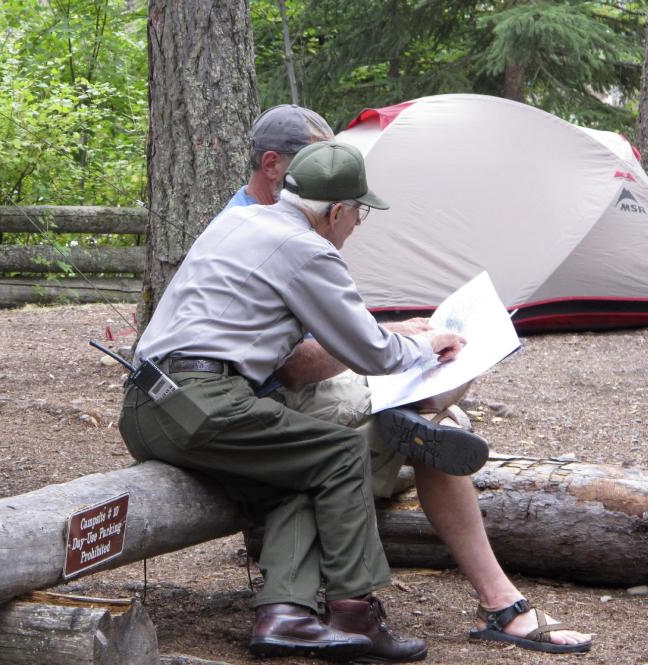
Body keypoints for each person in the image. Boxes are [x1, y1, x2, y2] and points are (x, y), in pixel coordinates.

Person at [226, 105, 592, 658]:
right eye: (319, 163)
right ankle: (500, 603)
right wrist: (381, 345)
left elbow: (319, 332)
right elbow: (292, 365)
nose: (333, 175)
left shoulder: (287, 221)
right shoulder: (257, 228)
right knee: (428, 412)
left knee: (432, 391)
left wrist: (385, 337)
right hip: (271, 411)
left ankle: (408, 422)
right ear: (274, 166)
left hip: (300, 397)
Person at [121, 140, 484, 662]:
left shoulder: (240, 222)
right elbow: (371, 352)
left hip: (145, 405)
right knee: (340, 453)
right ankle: (355, 614)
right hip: (203, 402)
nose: (358, 225)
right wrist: (428, 343)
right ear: (336, 212)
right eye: (359, 213)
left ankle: (284, 614)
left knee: (293, 476)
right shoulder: (308, 249)